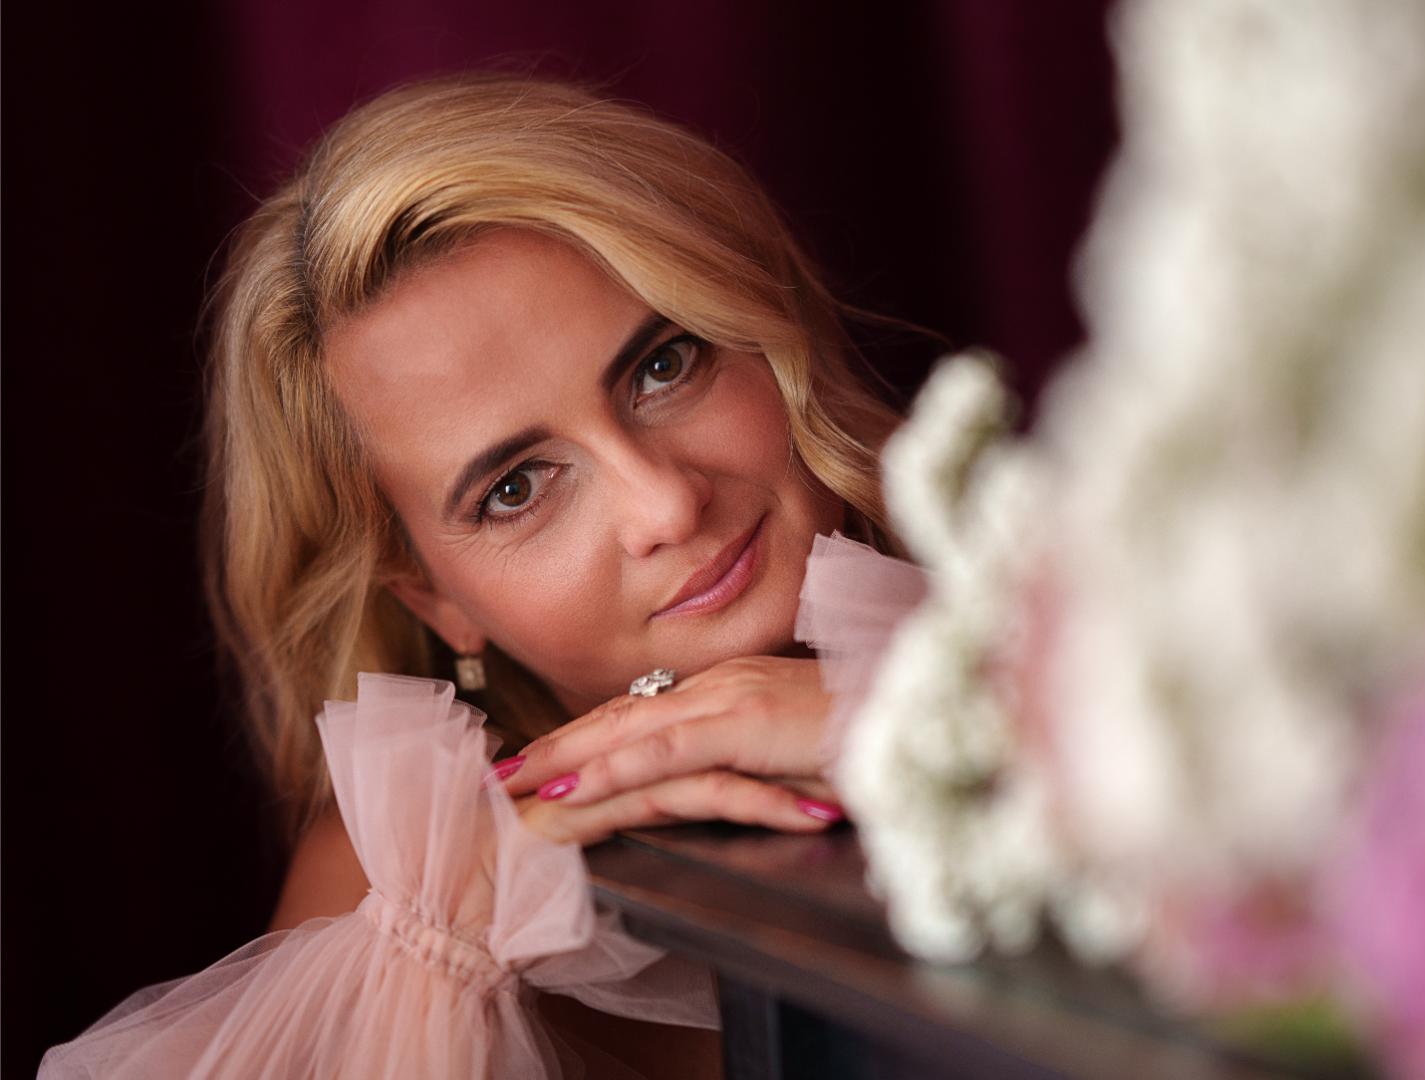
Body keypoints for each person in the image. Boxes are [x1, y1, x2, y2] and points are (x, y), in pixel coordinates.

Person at [187, 73, 907, 1074]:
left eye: (664, 366)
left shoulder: (1085, 646)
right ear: (433, 597)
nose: (665, 506)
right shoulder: (399, 901)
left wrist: (956, 734)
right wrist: (444, 981)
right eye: (516, 489)